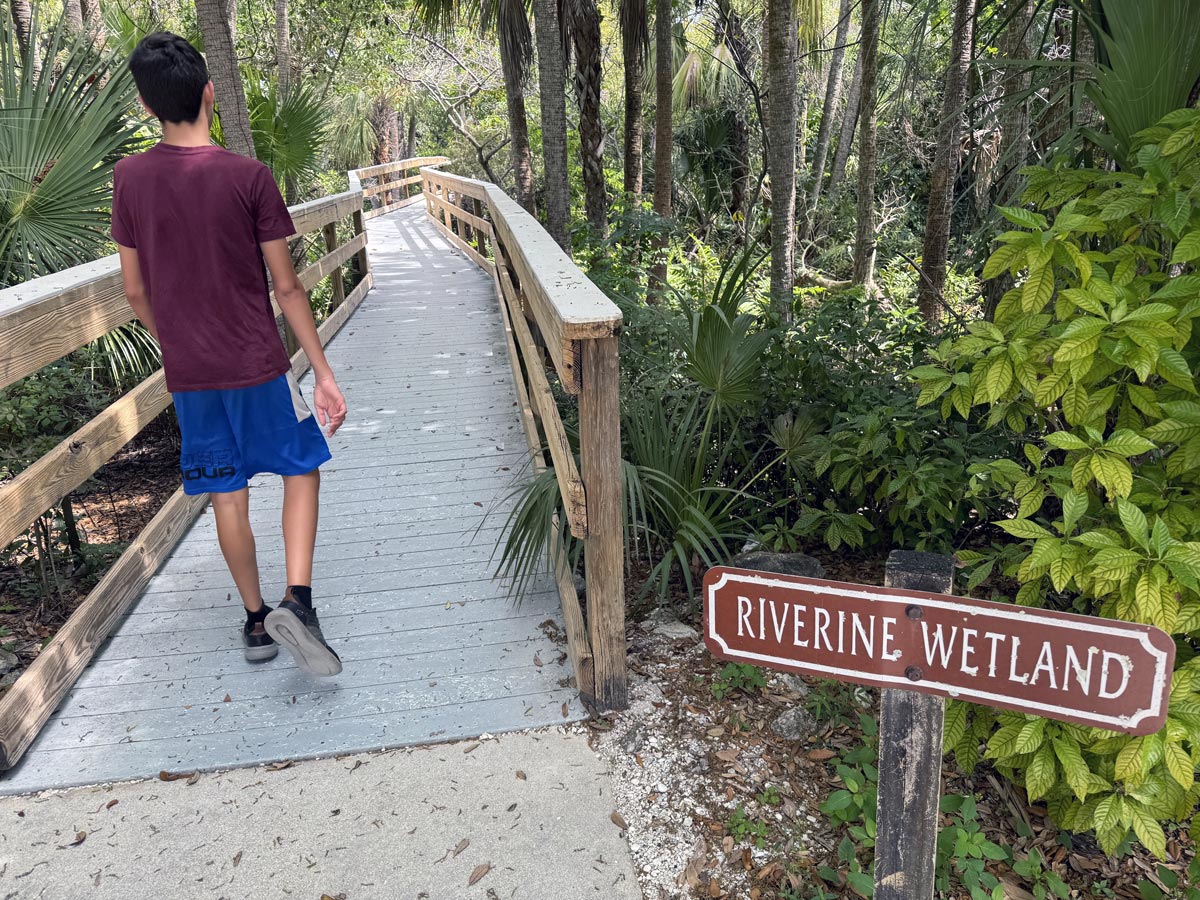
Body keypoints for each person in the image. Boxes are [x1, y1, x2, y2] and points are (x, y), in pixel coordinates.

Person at [113, 32, 346, 675]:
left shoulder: (129, 178)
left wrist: (180, 342)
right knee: (301, 466)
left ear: (146, 105)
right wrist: (322, 373)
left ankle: (254, 622)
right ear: (210, 92)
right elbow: (288, 286)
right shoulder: (249, 177)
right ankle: (298, 602)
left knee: (227, 494)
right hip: (258, 363)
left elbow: (135, 291)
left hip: (190, 373)